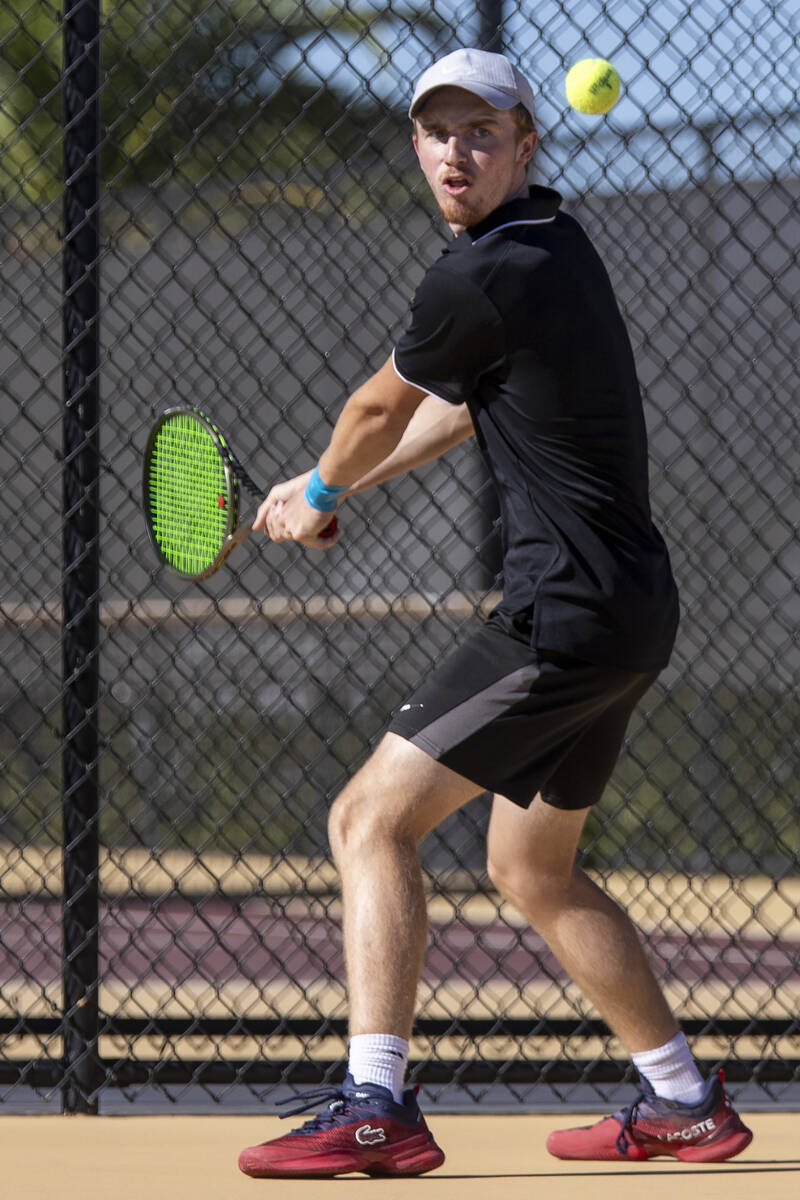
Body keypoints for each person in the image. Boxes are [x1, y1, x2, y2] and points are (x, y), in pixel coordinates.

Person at [237, 47, 752, 1178]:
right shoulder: (551, 251)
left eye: (482, 131)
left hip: (561, 613)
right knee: (533, 868)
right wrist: (329, 490)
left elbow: (376, 404)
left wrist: (321, 488)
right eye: (437, 130)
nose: (455, 152)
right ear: (415, 144)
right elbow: (459, 415)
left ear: (527, 145)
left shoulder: (481, 271)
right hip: (627, 612)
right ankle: (680, 1100)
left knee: (368, 820)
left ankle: (374, 1103)